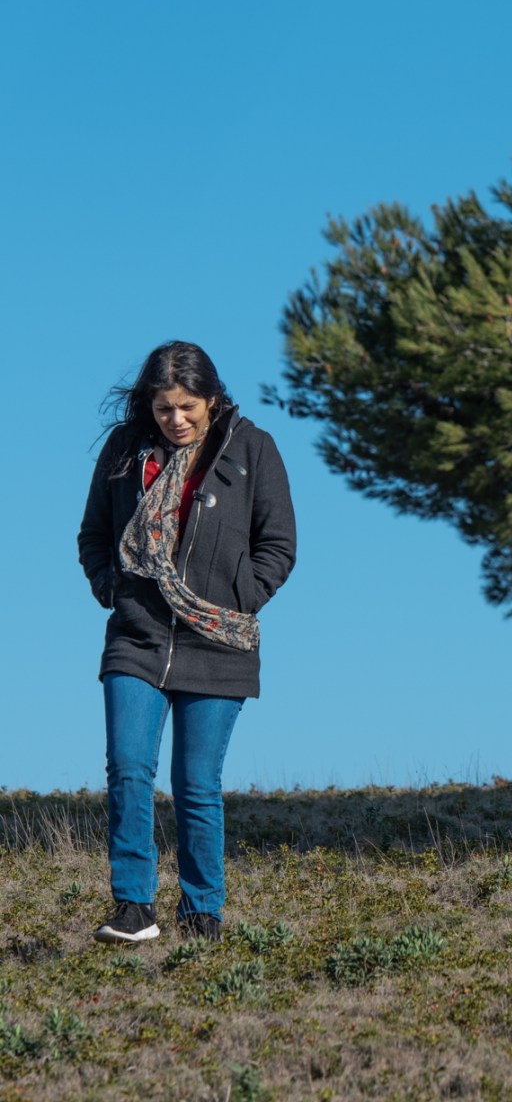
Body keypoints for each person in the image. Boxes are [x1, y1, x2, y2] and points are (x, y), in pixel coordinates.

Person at [78, 341, 296, 944]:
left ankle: (202, 912)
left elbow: (278, 544)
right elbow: (94, 533)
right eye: (163, 407)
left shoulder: (252, 449)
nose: (175, 419)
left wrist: (237, 597)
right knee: (127, 767)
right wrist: (111, 588)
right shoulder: (124, 451)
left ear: (212, 399)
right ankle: (133, 908)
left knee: (196, 785)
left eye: (186, 407)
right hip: (137, 636)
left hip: (218, 643)